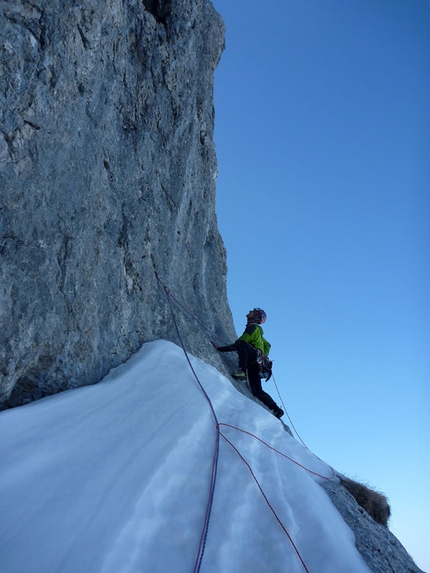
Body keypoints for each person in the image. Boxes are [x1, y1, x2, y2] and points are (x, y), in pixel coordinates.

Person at [212, 308, 284, 419]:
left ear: (255, 316)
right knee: (257, 391)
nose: (250, 311)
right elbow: (268, 345)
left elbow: (240, 343)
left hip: (252, 360)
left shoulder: (253, 327)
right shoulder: (260, 335)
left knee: (241, 343)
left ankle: (242, 372)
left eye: (253, 311)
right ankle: (276, 409)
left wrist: (221, 349)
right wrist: (262, 354)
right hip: (256, 364)